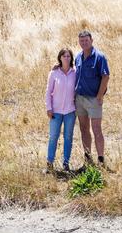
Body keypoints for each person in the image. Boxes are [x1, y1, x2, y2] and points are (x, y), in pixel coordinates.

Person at [74, 31, 110, 166]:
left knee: (96, 129)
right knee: (84, 128)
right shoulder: (78, 57)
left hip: (94, 99)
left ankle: (101, 159)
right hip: (80, 99)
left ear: (92, 40)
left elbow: (105, 76)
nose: (84, 43)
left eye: (86, 41)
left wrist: (100, 95)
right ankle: (88, 158)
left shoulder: (99, 57)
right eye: (82, 41)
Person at [44, 48, 77, 173]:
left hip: (70, 111)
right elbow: (48, 92)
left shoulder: (75, 72)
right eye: (64, 56)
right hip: (56, 112)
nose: (66, 58)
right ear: (60, 58)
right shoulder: (54, 73)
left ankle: (66, 164)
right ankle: (49, 163)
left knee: (68, 137)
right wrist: (49, 108)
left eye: (68, 56)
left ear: (71, 58)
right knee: (53, 137)